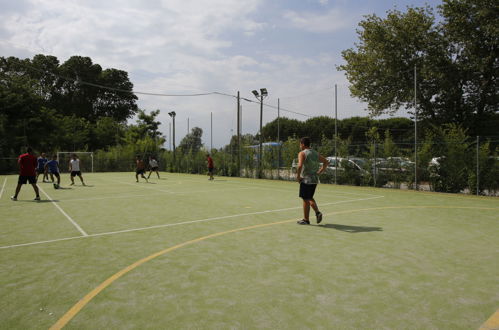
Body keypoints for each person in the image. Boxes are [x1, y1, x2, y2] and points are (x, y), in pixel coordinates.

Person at [296, 137, 329, 225]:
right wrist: (319, 172)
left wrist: (298, 177)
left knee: (306, 198)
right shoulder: (315, 153)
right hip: (314, 179)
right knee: (308, 198)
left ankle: (314, 214)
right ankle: (308, 218)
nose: (299, 146)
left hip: (306, 179)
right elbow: (326, 162)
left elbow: (299, 166)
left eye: (300, 144)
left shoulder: (302, 153)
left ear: (303, 144)